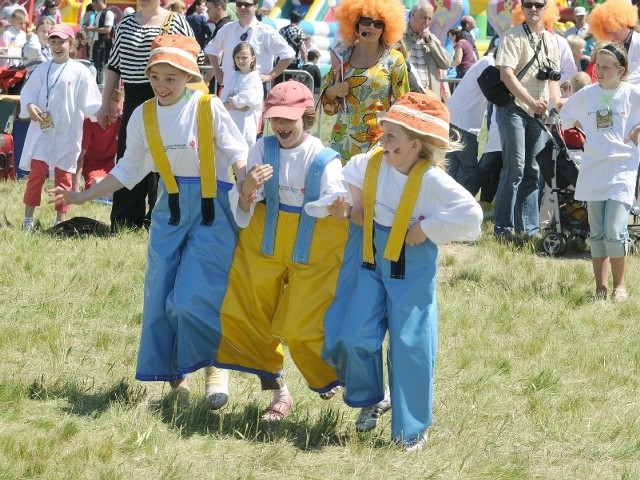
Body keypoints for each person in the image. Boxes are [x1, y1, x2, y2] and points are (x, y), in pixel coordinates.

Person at [49, 34, 249, 405]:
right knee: (160, 300)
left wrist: (248, 184)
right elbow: (127, 171)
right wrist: (79, 196)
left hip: (212, 214)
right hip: (168, 214)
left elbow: (238, 155)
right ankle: (177, 385)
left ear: (188, 76)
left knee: (193, 297)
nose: (161, 85)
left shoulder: (208, 107)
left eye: (170, 78)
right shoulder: (143, 115)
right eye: (155, 77)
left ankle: (214, 368)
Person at [324, 92, 483, 451]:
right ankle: (370, 397)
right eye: (384, 132)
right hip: (369, 258)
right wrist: (352, 201)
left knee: (411, 343)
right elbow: (347, 176)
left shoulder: (432, 180)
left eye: (391, 136)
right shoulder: (373, 163)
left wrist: (426, 229)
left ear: (414, 144)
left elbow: (472, 215)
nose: (383, 140)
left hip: (411, 265)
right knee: (352, 334)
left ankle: (411, 430)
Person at [216, 80, 350, 421]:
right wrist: (247, 188)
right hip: (265, 238)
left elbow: (336, 199)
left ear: (306, 116)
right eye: (275, 118)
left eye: (288, 118)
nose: (280, 125)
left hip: (313, 240)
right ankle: (279, 390)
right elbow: (246, 200)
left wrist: (338, 206)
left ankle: (332, 377)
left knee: (301, 324)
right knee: (247, 314)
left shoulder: (324, 158)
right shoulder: (262, 148)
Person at [96, 0, 197, 232]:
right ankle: (124, 223)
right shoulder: (125, 23)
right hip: (132, 98)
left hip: (166, 98)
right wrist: (105, 103)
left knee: (164, 159)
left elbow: (194, 62)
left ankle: (160, 220)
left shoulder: (178, 21)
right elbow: (114, 65)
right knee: (129, 158)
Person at [559, 44, 640, 302]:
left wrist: (635, 132)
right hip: (593, 168)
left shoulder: (632, 94)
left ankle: (620, 286)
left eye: (606, 67)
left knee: (615, 230)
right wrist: (588, 131)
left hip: (622, 168)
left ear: (621, 70)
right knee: (596, 233)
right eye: (598, 65)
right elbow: (566, 116)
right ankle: (600, 288)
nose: (599, 71)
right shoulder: (587, 94)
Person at [19, 24, 102, 232]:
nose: (57, 46)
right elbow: (28, 93)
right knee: (36, 176)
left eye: (61, 41)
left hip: (67, 133)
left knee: (64, 178)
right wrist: (29, 106)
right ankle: (28, 218)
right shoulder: (42, 69)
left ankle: (60, 220)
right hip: (42, 133)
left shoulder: (80, 71)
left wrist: (102, 113)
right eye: (53, 41)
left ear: (71, 44)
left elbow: (91, 102)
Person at [493, 0, 561, 238]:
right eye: (529, 4)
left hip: (537, 112)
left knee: (533, 170)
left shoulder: (551, 39)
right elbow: (506, 75)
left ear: (545, 9)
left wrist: (558, 103)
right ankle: (503, 229)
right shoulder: (511, 36)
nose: (534, 9)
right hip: (513, 108)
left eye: (539, 4)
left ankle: (529, 229)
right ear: (521, 8)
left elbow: (552, 79)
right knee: (515, 170)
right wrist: (531, 101)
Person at [321, 0, 409, 163]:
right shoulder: (342, 57)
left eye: (378, 24)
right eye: (366, 21)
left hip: (379, 144)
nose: (371, 27)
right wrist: (333, 91)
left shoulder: (394, 60)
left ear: (386, 28)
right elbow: (328, 108)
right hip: (342, 141)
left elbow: (402, 103)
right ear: (355, 23)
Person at [204, 0, 295, 98]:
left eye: (247, 5)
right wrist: (217, 71)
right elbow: (211, 49)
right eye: (239, 4)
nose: (242, 7)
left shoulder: (266, 31)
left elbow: (288, 54)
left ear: (255, 6)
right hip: (228, 89)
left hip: (255, 90)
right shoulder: (227, 29)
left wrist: (270, 76)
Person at [445, 47, 494, 191]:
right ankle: (459, 202)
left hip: (456, 117)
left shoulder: (485, 62)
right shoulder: (489, 64)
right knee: (468, 166)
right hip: (465, 122)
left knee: (452, 163)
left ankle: (446, 200)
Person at [73, 89, 124, 193]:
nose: (115, 114)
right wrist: (75, 187)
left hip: (112, 165)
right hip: (92, 166)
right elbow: (80, 156)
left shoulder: (122, 121)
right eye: (111, 110)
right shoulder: (90, 122)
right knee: (97, 184)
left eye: (118, 110)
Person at [403, 1, 451, 101]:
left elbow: (446, 63)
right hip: (406, 95)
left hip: (428, 95)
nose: (427, 22)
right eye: (424, 18)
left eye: (430, 18)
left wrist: (430, 42)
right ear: (413, 15)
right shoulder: (400, 36)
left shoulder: (431, 39)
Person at [220, 41, 262, 148]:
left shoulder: (254, 77)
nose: (240, 60)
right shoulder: (233, 76)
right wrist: (234, 104)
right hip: (231, 125)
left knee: (246, 156)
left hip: (246, 127)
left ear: (252, 58)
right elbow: (223, 100)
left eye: (244, 57)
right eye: (237, 57)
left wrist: (232, 102)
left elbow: (244, 101)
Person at [587, 0, 640, 85]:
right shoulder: (612, 47)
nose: (611, 37)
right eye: (607, 33)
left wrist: (621, 84)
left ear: (624, 23)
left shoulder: (638, 42)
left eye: (613, 31)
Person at [85, 0, 115, 85]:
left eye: (94, 6)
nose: (93, 8)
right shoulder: (98, 13)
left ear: (99, 2)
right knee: (96, 66)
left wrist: (91, 29)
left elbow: (107, 30)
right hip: (96, 43)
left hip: (103, 44)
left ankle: (100, 87)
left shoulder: (108, 13)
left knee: (101, 66)